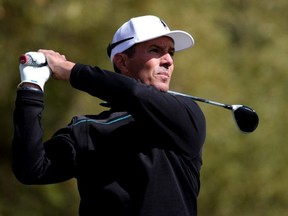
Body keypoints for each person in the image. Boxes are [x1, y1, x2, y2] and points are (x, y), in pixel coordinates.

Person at [12, 15, 206, 216]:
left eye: (171, 53)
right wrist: (31, 88)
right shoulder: (86, 129)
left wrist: (69, 70)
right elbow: (31, 169)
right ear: (122, 61)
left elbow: (135, 94)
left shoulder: (186, 115)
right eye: (156, 50)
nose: (168, 61)